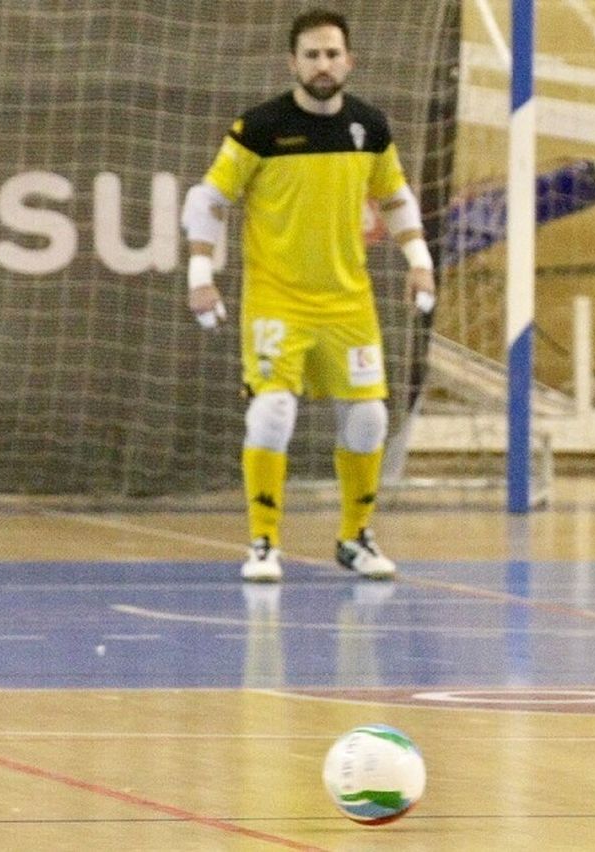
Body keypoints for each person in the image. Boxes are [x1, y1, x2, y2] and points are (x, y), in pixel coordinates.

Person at [182, 9, 435, 583]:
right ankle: (264, 543)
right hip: (277, 301)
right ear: (292, 62)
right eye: (312, 55)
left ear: (349, 59)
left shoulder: (370, 127)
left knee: (369, 416)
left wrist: (419, 262)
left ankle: (355, 537)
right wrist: (200, 271)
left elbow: (395, 198)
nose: (323, 64)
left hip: (349, 303)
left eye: (332, 54)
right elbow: (209, 200)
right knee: (273, 411)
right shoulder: (260, 128)